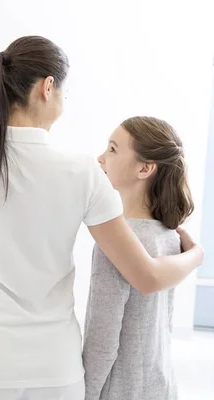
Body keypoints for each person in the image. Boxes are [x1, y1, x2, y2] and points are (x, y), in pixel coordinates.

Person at [0, 35, 203, 400]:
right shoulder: (82, 172)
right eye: (64, 92)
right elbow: (147, 277)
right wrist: (196, 255)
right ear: (47, 87)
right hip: (54, 371)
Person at [82, 116, 193, 400]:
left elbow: (102, 342)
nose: (101, 158)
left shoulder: (119, 243)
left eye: (113, 149)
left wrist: (86, 394)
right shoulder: (170, 236)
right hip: (161, 386)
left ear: (145, 168)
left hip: (122, 391)